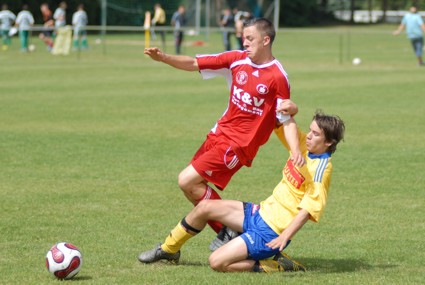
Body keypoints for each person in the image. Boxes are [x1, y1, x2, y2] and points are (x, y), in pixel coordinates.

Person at [143, 18, 305, 249]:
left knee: (185, 179)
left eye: (250, 38)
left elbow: (285, 118)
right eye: (243, 38)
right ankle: (230, 230)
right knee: (191, 187)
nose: (244, 42)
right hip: (218, 134)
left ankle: (233, 228)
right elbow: (194, 63)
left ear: (266, 40)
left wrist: (296, 150)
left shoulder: (277, 76)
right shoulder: (237, 59)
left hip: (239, 145)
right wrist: (164, 58)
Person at [138, 110, 346, 273]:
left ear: (328, 142)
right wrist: (291, 109)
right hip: (260, 212)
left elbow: (308, 210)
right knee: (204, 207)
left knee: (217, 262)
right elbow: (280, 122)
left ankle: (276, 265)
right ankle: (168, 251)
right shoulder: (302, 145)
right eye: (309, 130)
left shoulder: (321, 170)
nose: (308, 136)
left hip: (271, 232)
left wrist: (284, 238)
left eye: (315, 134)